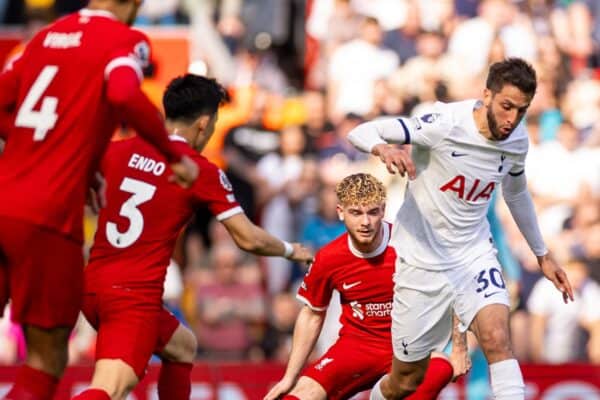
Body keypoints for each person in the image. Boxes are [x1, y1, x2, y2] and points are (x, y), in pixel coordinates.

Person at [0, 1, 199, 398]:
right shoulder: (122, 40)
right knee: (48, 355)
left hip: (4, 197)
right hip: (48, 218)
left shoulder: (46, 37)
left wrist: (61, 154)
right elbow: (124, 92)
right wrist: (172, 154)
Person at [73, 74, 313, 400]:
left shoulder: (117, 150)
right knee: (108, 389)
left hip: (94, 285)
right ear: (203, 124)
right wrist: (290, 250)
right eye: (213, 124)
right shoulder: (199, 170)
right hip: (131, 298)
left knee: (182, 346)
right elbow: (248, 239)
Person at [347, 58, 574, 399]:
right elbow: (361, 131)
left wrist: (542, 254)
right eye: (506, 106)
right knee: (406, 379)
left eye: (521, 111)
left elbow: (516, 193)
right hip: (420, 259)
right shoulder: (444, 123)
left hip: (473, 254)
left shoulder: (517, 141)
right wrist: (383, 147)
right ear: (486, 95)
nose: (512, 119)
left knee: (497, 338)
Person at [264, 173, 469, 400]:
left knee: (441, 368)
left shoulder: (411, 244)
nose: (365, 222)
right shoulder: (329, 257)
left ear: (383, 209)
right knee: (298, 396)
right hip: (358, 346)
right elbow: (312, 315)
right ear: (341, 212)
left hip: (411, 345)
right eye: (356, 213)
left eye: (372, 212)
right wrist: (290, 377)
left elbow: (454, 286)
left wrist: (459, 348)